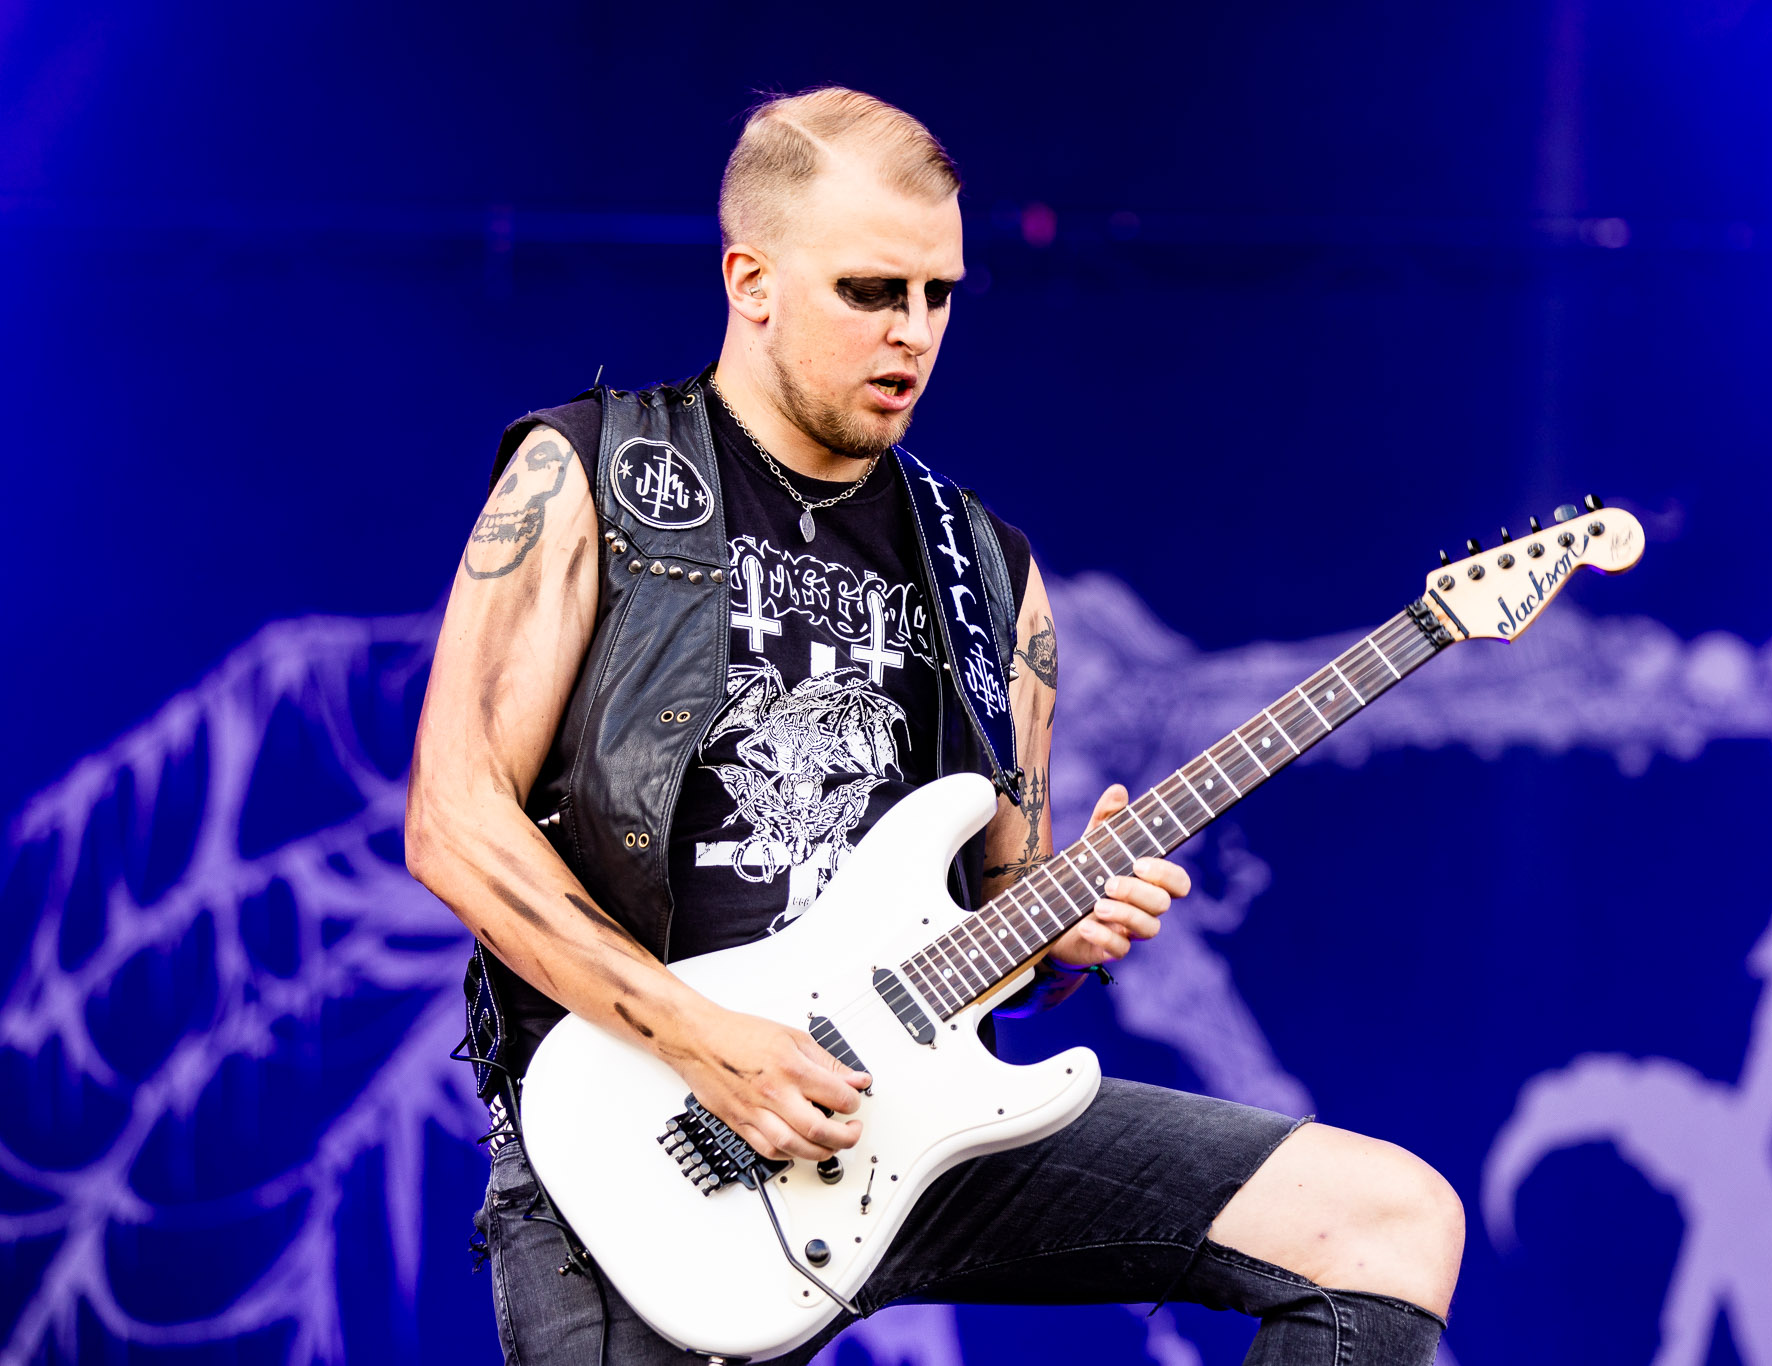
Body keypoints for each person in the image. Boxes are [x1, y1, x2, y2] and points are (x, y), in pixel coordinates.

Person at [406, 87, 1462, 1366]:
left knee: (1384, 1222)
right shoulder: (590, 476)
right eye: (869, 291)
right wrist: (710, 1043)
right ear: (750, 280)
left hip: (909, 1129)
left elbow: (1011, 922)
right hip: (651, 1139)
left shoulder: (989, 575)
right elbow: (454, 820)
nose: (911, 332)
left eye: (938, 295)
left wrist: (1064, 931)